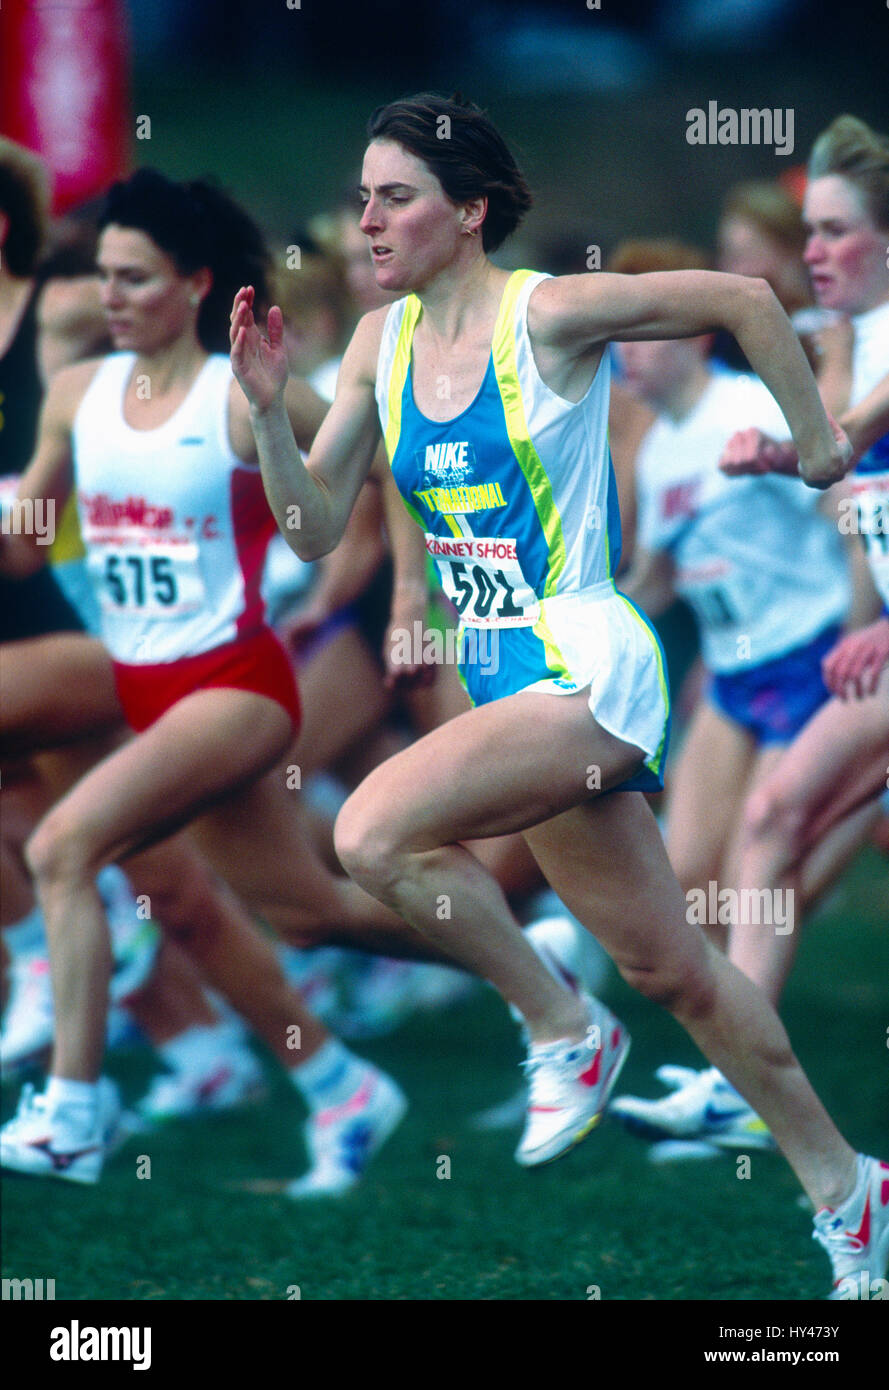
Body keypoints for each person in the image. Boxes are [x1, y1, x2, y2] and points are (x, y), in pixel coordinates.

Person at [230, 92, 886, 1296]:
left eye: (395, 197)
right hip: (498, 674)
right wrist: (273, 414)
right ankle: (852, 1195)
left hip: (583, 657)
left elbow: (743, 300)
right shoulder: (377, 344)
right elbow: (316, 529)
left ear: (468, 212)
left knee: (369, 830)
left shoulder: (552, 313)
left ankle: (559, 1025)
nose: (366, 219)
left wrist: (820, 444)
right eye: (361, 196)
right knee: (675, 971)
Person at [0, 169, 441, 1196]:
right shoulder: (78, 392)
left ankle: (68, 1101)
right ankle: (455, 1011)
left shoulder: (229, 385)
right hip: (137, 671)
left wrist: (401, 591)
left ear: (194, 282)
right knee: (296, 909)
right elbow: (28, 540)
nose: (107, 295)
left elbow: (383, 454)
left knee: (66, 846)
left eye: (131, 277)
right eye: (102, 275)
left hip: (220, 677)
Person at [609, 115, 889, 1173]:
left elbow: (845, 457)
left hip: (820, 652)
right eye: (805, 231)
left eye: (831, 232)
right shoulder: (845, 341)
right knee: (750, 840)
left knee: (774, 846)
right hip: (784, 670)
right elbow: (853, 480)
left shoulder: (850, 352)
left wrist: (790, 453)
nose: (807, 252)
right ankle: (740, 1085)